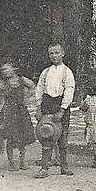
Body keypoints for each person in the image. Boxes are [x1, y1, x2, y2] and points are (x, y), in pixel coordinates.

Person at [34, 43, 76, 178]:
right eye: (51, 53)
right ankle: (44, 168)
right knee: (46, 134)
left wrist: (63, 109)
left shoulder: (67, 72)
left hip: (60, 105)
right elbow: (39, 90)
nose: (54, 56)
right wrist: (38, 107)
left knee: (62, 137)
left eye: (57, 52)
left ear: (63, 53)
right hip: (47, 104)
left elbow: (69, 91)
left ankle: (64, 166)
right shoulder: (45, 72)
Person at [0, 63, 36, 170]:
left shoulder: (21, 80)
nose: (4, 71)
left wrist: (27, 97)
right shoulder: (3, 83)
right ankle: (12, 163)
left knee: (22, 138)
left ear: (14, 68)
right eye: (2, 70)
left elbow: (32, 86)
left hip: (21, 111)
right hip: (9, 112)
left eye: (6, 68)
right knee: (10, 137)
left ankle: (22, 162)